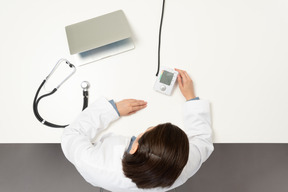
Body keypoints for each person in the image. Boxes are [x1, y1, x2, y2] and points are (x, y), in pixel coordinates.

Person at [61, 69, 214, 192]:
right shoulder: (183, 166)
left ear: (134, 147)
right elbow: (202, 139)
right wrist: (191, 98)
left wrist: (112, 110)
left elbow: (71, 135)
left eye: (149, 130)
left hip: (103, 180)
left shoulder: (93, 163)